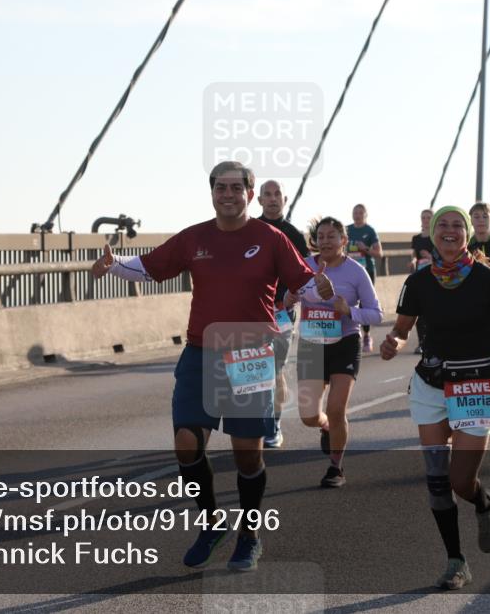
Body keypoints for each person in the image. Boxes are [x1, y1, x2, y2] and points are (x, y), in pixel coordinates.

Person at [92, 161, 333, 572]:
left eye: (236, 188)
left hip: (250, 355)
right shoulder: (195, 238)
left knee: (247, 456)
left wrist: (319, 289)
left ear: (250, 195)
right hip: (201, 352)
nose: (228, 194)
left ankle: (250, 535)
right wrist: (113, 265)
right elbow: (151, 267)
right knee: (186, 440)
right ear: (212, 192)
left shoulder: (271, 238)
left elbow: (303, 281)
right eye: (220, 187)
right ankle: (211, 523)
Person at [381, 206, 490, 590]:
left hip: (476, 387)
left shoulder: (488, 278)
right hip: (431, 386)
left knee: (461, 481)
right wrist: (393, 342)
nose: (449, 231)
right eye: (441, 225)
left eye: (456, 225)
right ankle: (456, 561)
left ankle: (483, 501)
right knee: (437, 479)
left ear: (466, 233)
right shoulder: (418, 282)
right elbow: (401, 328)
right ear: (431, 233)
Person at [283, 217, 382, 488]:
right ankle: (325, 427)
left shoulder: (356, 272)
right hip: (312, 345)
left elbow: (376, 313)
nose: (325, 240)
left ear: (344, 241)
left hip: (345, 343)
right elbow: (285, 301)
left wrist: (350, 311)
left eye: (332, 235)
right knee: (308, 416)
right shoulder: (304, 266)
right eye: (321, 236)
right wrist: (289, 300)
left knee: (337, 408)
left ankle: (336, 467)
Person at [256, 180, 311, 449]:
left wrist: (289, 296)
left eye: (277, 194)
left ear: (285, 200)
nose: (273, 198)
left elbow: (305, 273)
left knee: (274, 369)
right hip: (251, 313)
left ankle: (273, 424)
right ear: (259, 200)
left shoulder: (294, 234)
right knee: (253, 372)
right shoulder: (249, 230)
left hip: (281, 312)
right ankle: (256, 421)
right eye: (268, 194)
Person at [346, 204, 383, 353]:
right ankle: (350, 334)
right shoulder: (346, 229)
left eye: (361, 212)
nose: (357, 215)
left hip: (366, 271)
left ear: (365, 215)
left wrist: (365, 248)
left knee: (364, 304)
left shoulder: (370, 231)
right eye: (355, 212)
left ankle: (367, 335)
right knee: (347, 302)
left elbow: (379, 253)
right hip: (348, 271)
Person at [409, 209, 434, 354]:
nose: (425, 220)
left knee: (431, 311)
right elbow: (413, 255)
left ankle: (432, 341)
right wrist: (412, 262)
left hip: (434, 276)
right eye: (423, 217)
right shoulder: (416, 238)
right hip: (419, 276)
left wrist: (430, 257)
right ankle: (421, 343)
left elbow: (443, 257)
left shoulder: (437, 237)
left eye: (428, 217)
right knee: (419, 311)